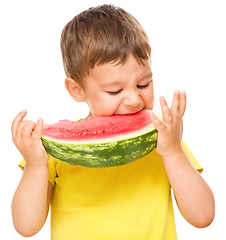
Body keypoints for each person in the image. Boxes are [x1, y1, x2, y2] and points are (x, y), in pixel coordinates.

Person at [11, 4, 215, 240]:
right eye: (115, 90)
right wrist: (35, 165)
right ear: (77, 90)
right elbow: (26, 227)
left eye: (143, 84)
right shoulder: (53, 152)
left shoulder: (165, 138)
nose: (133, 99)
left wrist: (173, 151)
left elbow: (203, 217)